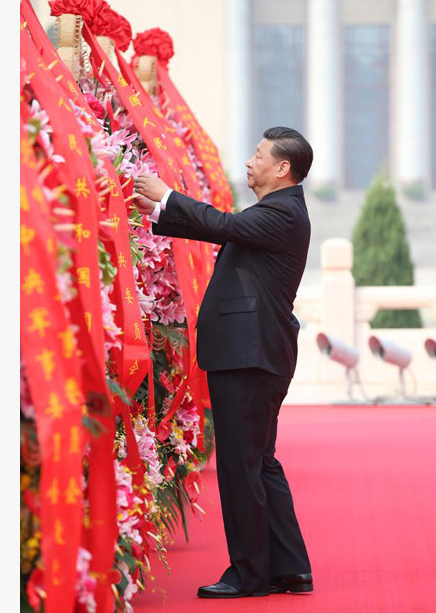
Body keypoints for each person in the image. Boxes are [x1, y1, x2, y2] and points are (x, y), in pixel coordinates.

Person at [132, 126, 314, 599]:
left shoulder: (284, 213)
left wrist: (167, 196)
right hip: (254, 353)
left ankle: (249, 574)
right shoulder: (280, 211)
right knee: (259, 461)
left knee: (242, 465)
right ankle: (290, 568)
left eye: (258, 155)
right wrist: (156, 213)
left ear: (282, 168)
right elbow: (224, 227)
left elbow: (225, 226)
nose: (249, 162)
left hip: (250, 355)